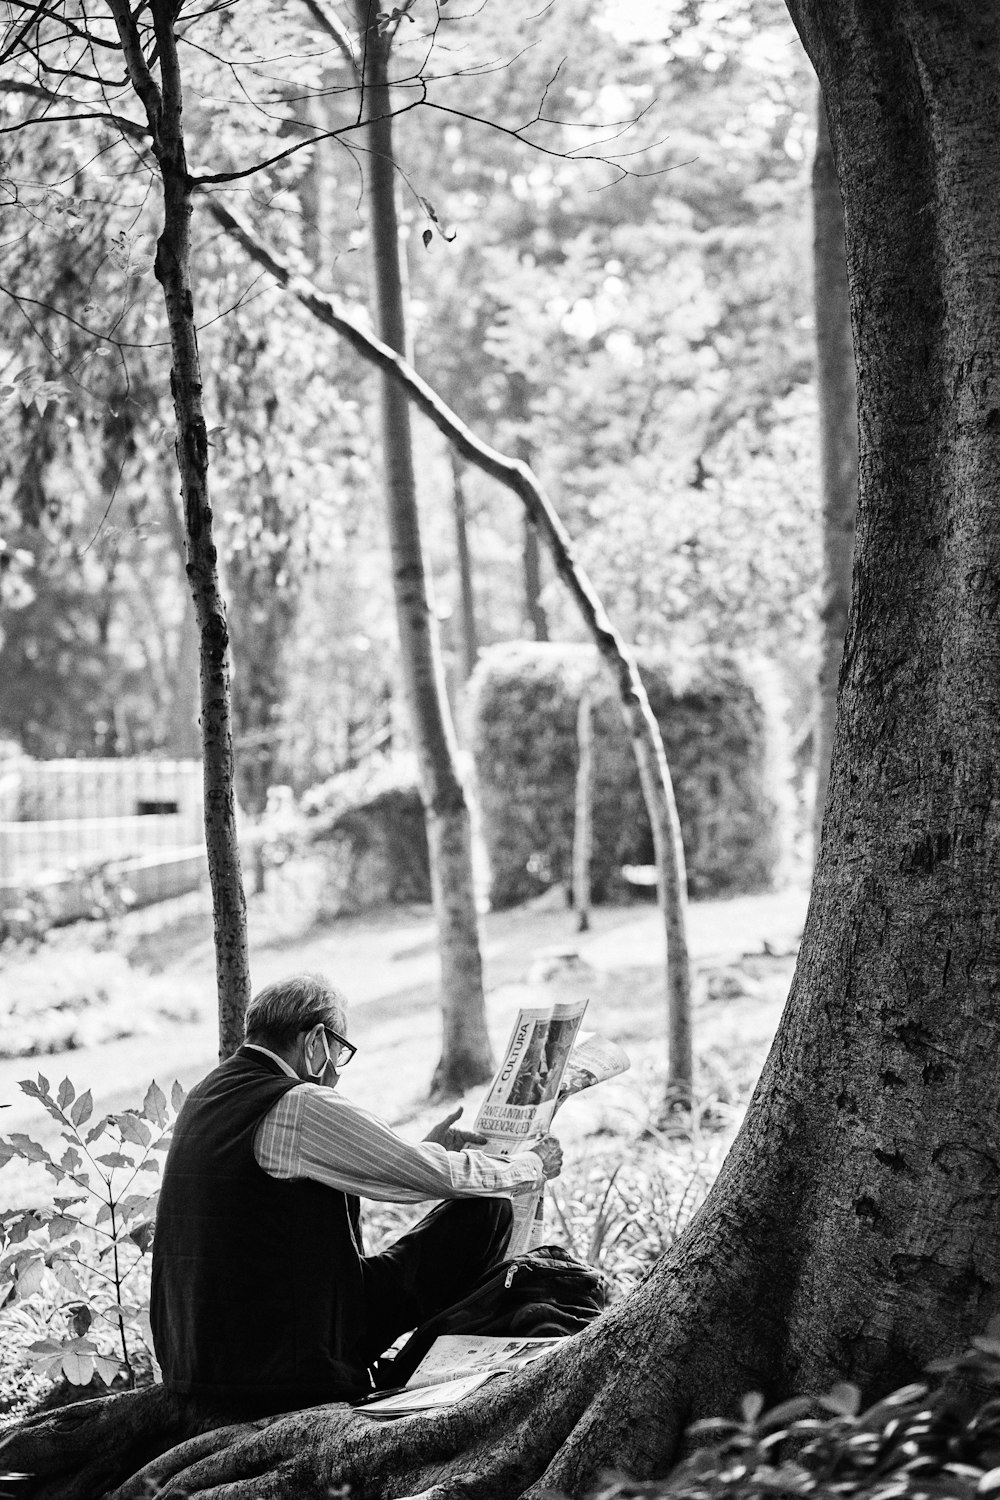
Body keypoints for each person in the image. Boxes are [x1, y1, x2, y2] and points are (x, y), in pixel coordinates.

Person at [150, 973, 563, 1416]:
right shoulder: (297, 1103)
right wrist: (530, 1167)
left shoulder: (207, 1093)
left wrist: (426, 1148)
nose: (336, 1074)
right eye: (339, 1052)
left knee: (456, 1224)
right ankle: (426, 1368)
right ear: (315, 1043)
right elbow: (421, 1175)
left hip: (207, 1356)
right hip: (277, 1362)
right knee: (488, 1212)